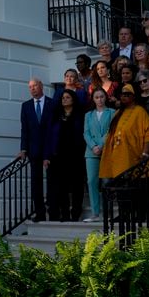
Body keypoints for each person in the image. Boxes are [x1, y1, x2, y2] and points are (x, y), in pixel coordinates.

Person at [99, 84, 149, 180]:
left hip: (133, 156)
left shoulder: (140, 111)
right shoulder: (118, 112)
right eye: (122, 95)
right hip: (116, 157)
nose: (123, 96)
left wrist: (145, 153)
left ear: (134, 96)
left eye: (127, 94)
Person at [44, 90, 86, 222]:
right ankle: (65, 214)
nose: (64, 99)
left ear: (73, 99)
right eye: (63, 98)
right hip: (58, 156)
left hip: (76, 156)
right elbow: (49, 136)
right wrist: (47, 155)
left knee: (77, 187)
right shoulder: (56, 115)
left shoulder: (80, 115)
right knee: (61, 187)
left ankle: (75, 214)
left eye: (67, 97)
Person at [18, 78, 55, 221]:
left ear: (41, 86)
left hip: (50, 149)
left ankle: (53, 211)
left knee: (52, 181)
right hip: (34, 150)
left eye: (34, 86)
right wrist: (23, 149)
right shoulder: (26, 106)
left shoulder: (52, 103)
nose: (32, 89)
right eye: (30, 87)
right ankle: (40, 213)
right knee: (36, 183)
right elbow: (24, 129)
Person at [83, 88, 115, 222]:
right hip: (91, 152)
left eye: (102, 97)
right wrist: (94, 146)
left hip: (107, 150)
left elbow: (111, 131)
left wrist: (101, 145)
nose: (100, 100)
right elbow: (86, 133)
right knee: (92, 181)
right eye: (97, 97)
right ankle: (96, 213)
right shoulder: (88, 115)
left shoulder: (112, 112)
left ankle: (108, 212)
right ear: (93, 99)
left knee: (107, 181)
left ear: (105, 97)